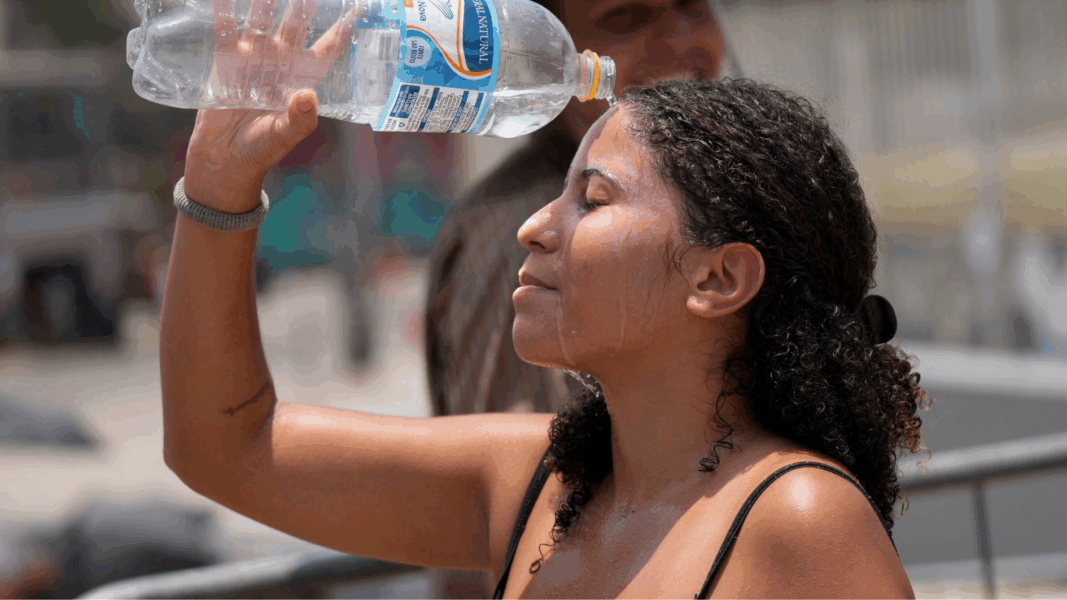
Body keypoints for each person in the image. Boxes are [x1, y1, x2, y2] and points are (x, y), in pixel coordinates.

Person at [161, 12, 927, 589]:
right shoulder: (536, 478)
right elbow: (225, 447)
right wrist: (218, 188)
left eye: (592, 200)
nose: (533, 228)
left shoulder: (799, 520)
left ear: (717, 279)